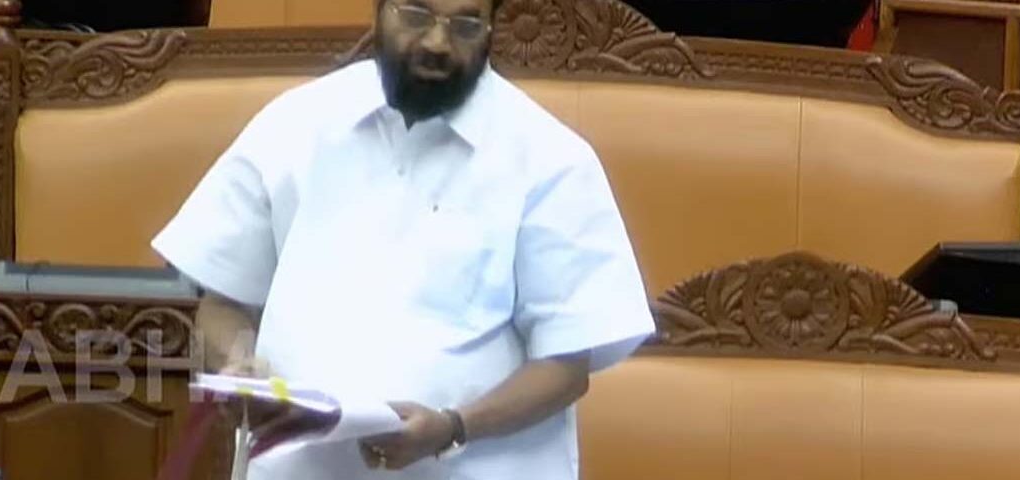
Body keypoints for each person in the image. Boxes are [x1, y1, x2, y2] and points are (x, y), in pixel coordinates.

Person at [151, 0, 656, 478]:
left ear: (492, 28)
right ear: (379, 11)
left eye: (465, 25)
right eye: (416, 14)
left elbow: (566, 368)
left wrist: (453, 428)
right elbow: (223, 303)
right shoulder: (297, 123)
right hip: (298, 468)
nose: (437, 42)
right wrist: (237, 366)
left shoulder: (551, 159)